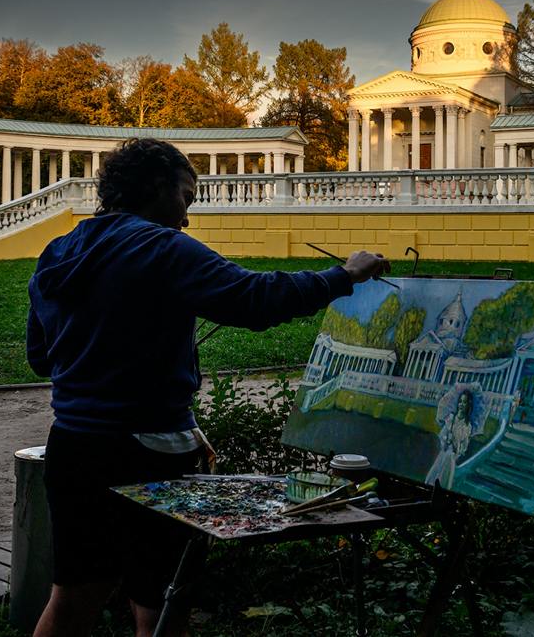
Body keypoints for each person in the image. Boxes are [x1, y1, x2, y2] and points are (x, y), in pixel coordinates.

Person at [25, 138, 389, 637]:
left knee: (73, 596)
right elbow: (255, 299)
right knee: (161, 602)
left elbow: (41, 357)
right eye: (186, 197)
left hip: (72, 448)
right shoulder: (161, 246)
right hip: (147, 452)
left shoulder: (59, 251)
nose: (187, 218)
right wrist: (344, 275)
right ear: (158, 187)